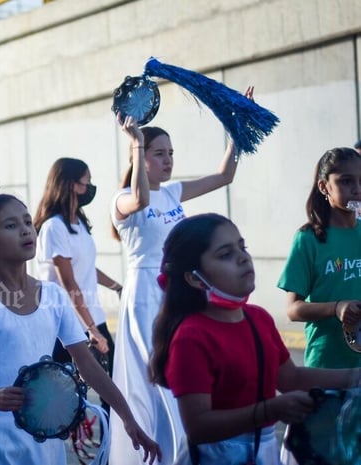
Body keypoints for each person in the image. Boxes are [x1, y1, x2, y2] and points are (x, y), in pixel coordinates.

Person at [0, 194, 160, 465]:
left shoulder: (53, 295)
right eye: (10, 225)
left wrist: (127, 417)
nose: (24, 230)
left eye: (27, 222)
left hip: (46, 434)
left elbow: (88, 365)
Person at [149, 213, 361, 464]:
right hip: (215, 456)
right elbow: (198, 426)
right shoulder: (190, 337)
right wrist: (270, 410)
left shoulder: (258, 318)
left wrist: (354, 376)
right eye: (225, 254)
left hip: (264, 452)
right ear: (195, 277)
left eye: (242, 247)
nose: (243, 258)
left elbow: (291, 378)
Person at [109, 102, 250, 464]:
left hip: (178, 291)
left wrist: (236, 131)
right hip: (145, 296)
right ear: (140, 155)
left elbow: (224, 177)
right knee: (155, 381)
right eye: (159, 153)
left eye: (171, 153)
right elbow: (139, 199)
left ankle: (186, 452)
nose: (168, 160)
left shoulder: (171, 192)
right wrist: (138, 143)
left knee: (185, 374)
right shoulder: (122, 199)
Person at [34, 158, 122, 380]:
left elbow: (86, 268)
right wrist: (91, 328)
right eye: (86, 181)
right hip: (67, 323)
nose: (90, 188)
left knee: (110, 384)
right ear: (70, 185)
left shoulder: (79, 223)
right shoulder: (54, 227)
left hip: (91, 315)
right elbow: (69, 282)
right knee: (68, 391)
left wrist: (117, 286)